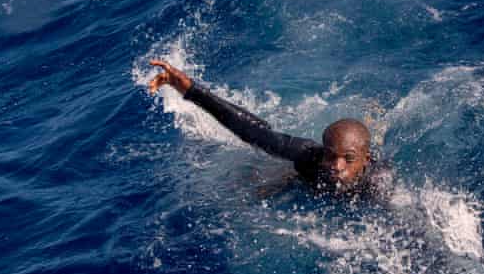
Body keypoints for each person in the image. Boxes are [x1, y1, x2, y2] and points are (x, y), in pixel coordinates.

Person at [147, 59, 391, 197]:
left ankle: (374, 122)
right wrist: (191, 90)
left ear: (365, 161)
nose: (337, 167)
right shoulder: (309, 154)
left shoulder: (378, 183)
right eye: (331, 156)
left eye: (348, 159)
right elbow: (251, 130)